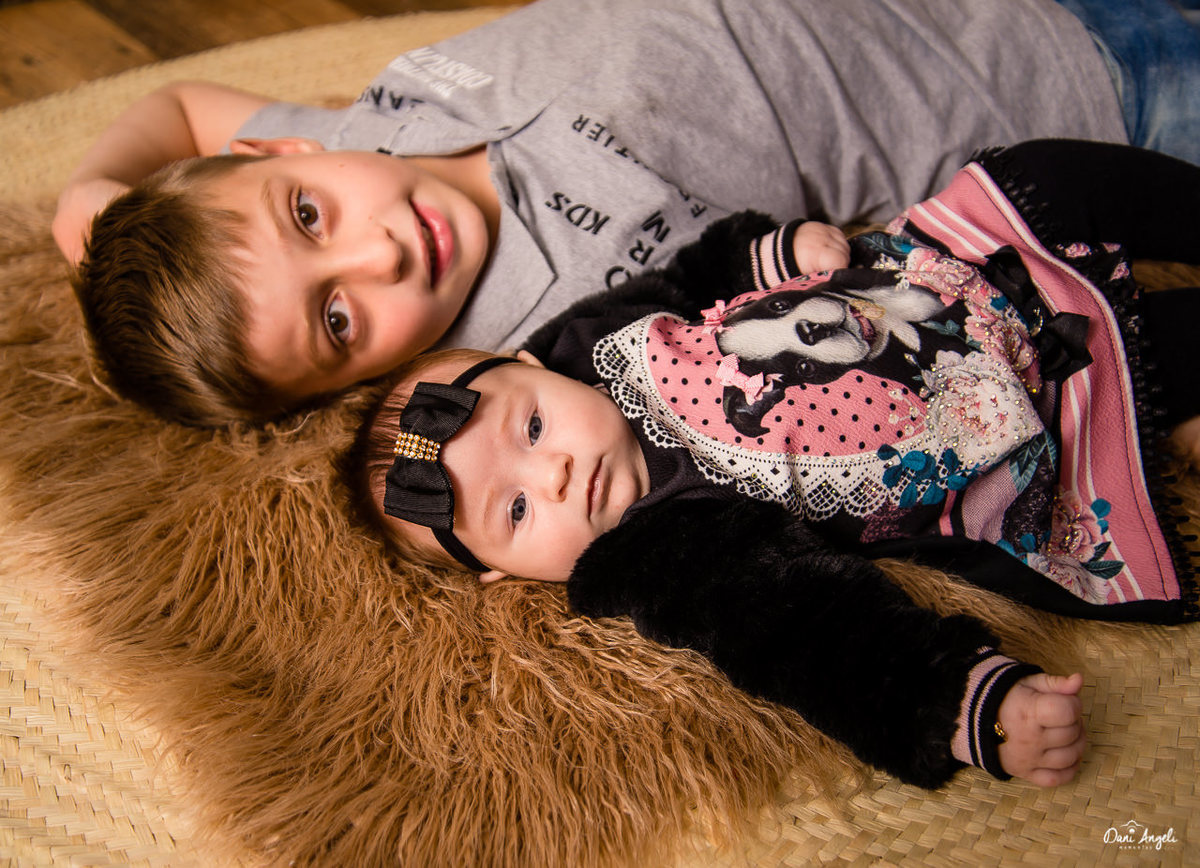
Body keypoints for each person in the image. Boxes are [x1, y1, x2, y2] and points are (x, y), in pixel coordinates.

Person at [351, 139, 1200, 789]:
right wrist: (957, 703)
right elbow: (806, 634)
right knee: (1169, 352)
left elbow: (686, 277)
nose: (557, 475)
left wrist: (772, 255)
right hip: (1022, 415)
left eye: (534, 427)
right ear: (501, 575)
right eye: (517, 511)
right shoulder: (664, 555)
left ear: (529, 366)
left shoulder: (590, 339)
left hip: (928, 278)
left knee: (1047, 177)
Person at [54, 0, 1200, 426]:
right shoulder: (535, 340)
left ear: (279, 154)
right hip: (1069, 97)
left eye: (308, 216)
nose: (379, 252)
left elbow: (177, 104)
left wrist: (90, 196)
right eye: (338, 320)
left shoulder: (361, 130)